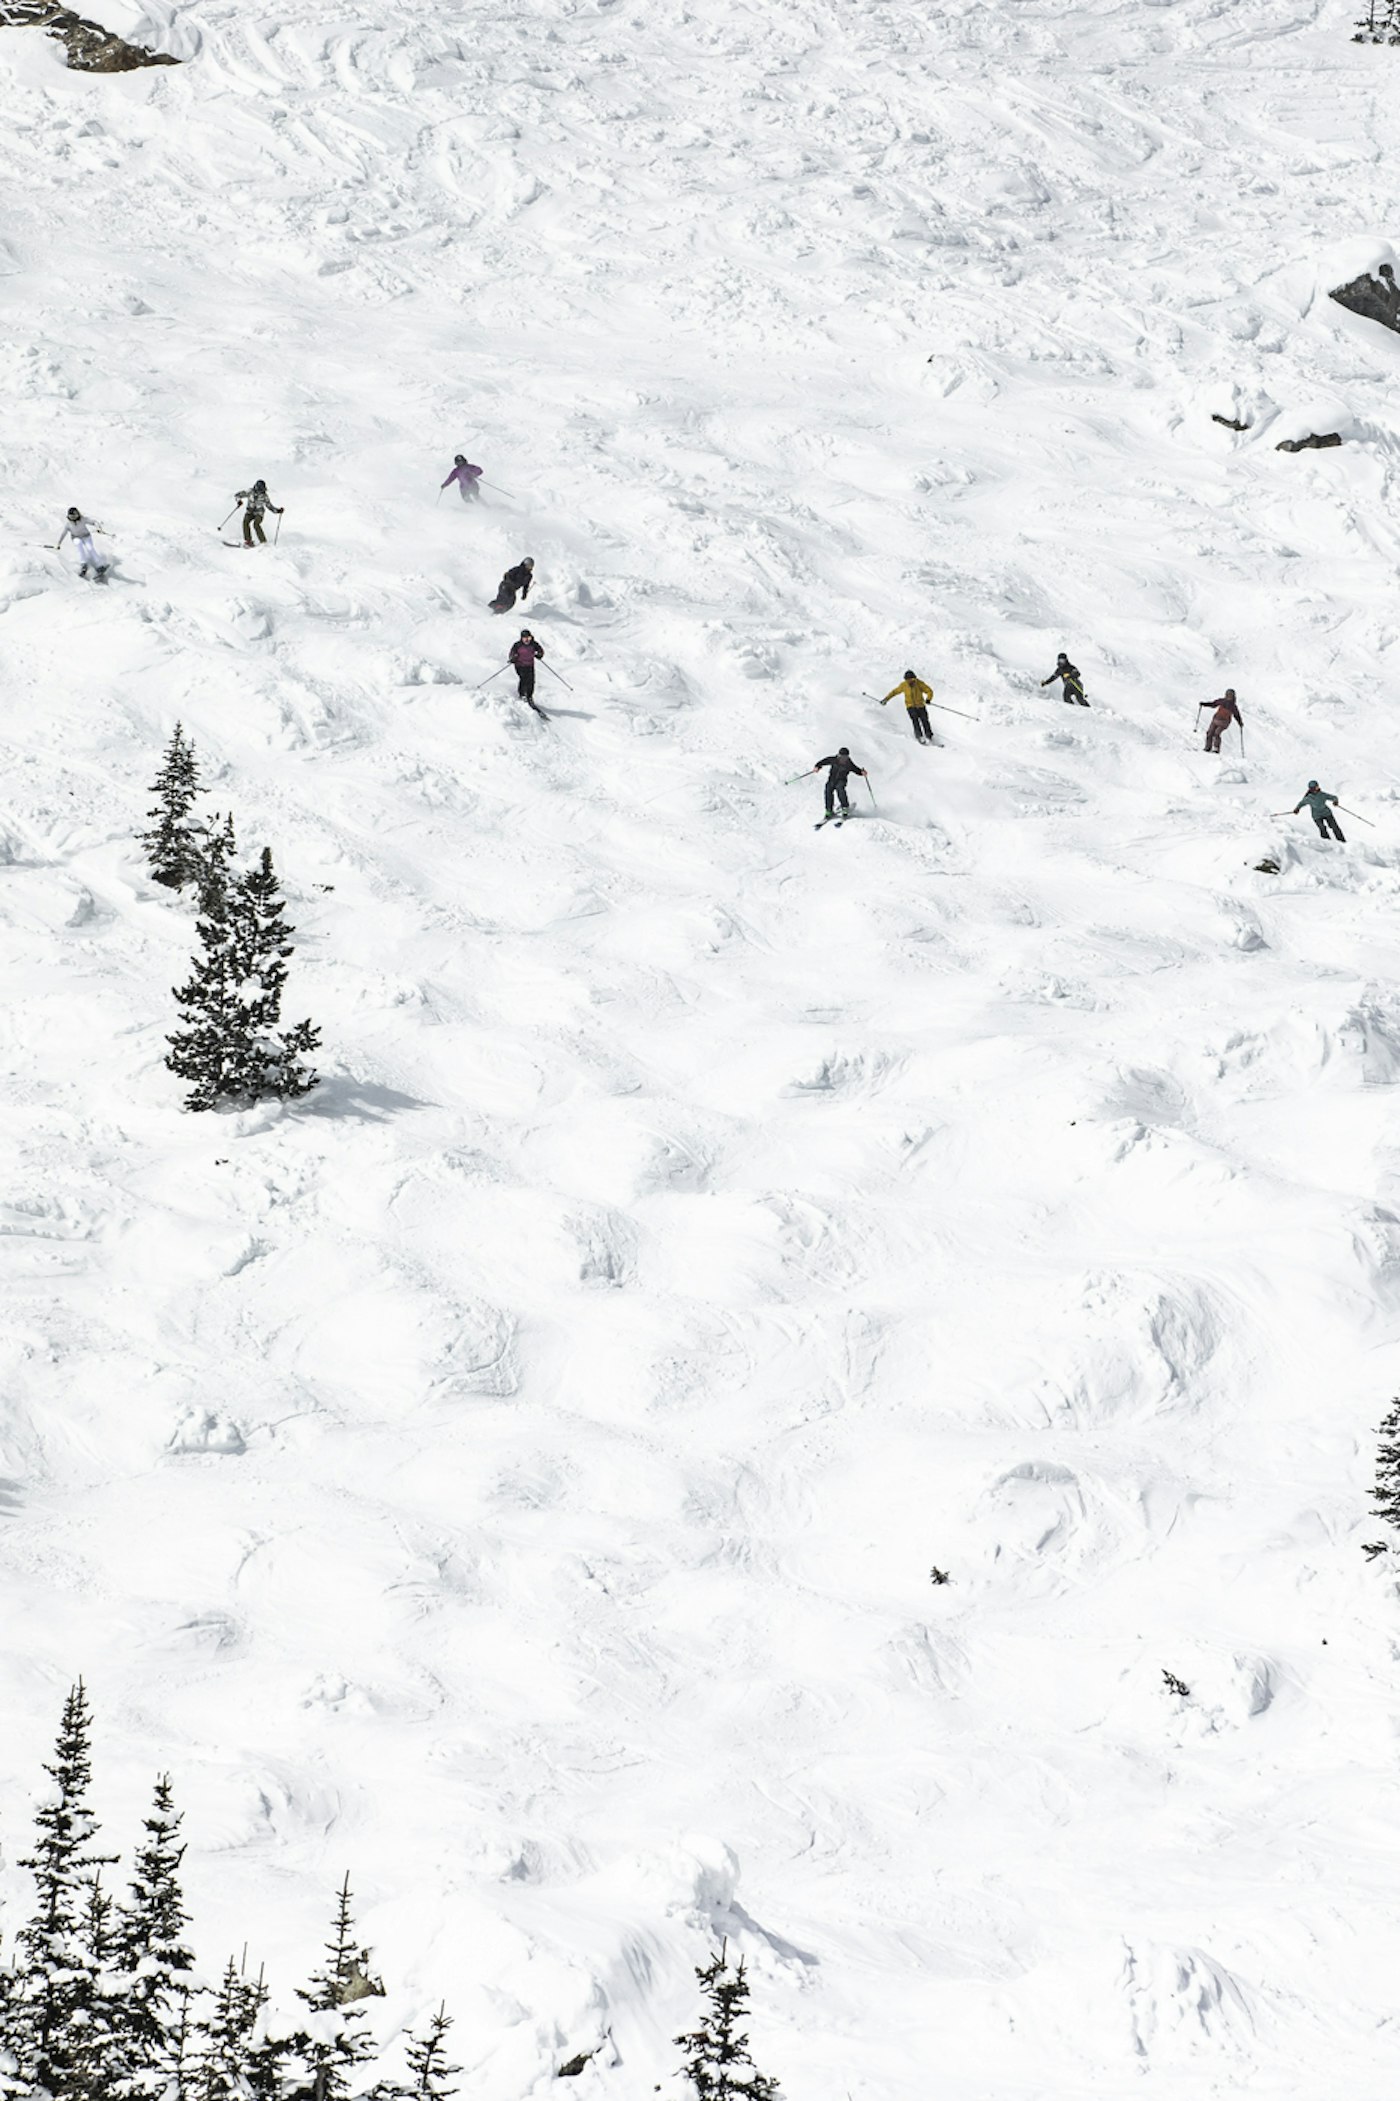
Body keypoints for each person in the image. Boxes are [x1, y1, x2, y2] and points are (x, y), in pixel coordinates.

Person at [881, 670, 936, 743]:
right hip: (910, 706)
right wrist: (886, 699)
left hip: (920, 705)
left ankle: (929, 736)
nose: (910, 681)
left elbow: (929, 691)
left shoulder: (919, 683)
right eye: (908, 680)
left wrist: (928, 699)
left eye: (912, 679)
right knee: (915, 720)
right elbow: (894, 692)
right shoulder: (903, 685)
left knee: (925, 720)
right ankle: (919, 736)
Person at [815, 748, 868, 818]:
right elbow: (823, 761)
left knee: (840, 789)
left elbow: (856, 770)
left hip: (841, 780)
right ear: (838, 755)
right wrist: (817, 766)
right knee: (828, 790)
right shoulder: (833, 760)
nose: (843, 759)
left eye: (845, 757)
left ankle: (845, 808)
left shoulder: (849, 764)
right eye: (841, 757)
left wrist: (861, 772)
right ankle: (829, 810)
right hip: (832, 779)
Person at [56, 505, 107, 578]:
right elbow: (63, 534)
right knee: (79, 545)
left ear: (78, 514)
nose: (73, 517)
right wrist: (59, 543)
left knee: (90, 548)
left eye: (75, 515)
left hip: (86, 536)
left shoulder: (83, 519)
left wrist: (98, 528)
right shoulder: (68, 524)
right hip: (76, 537)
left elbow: (94, 522)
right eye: (71, 516)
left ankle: (100, 566)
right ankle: (84, 565)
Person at [234, 479, 284, 546]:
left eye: (261, 489)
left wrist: (277, 511)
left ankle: (263, 542)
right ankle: (248, 541)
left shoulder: (264, 496)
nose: (259, 491)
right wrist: (239, 501)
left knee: (256, 524)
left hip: (259, 513)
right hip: (250, 512)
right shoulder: (250, 491)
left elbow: (269, 506)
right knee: (245, 522)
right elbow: (237, 495)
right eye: (258, 489)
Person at [509, 629, 545, 711]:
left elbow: (540, 650)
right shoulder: (517, 645)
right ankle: (522, 694)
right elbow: (512, 653)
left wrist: (539, 654)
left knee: (531, 681)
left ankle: (529, 696)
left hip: (530, 665)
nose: (527, 640)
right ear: (521, 638)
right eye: (525, 638)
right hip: (520, 665)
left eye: (528, 638)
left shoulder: (533, 644)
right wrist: (513, 658)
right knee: (524, 679)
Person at [1204, 689, 1242, 753]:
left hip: (1224, 722)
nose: (1229, 697)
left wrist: (1240, 722)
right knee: (1210, 733)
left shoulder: (1232, 706)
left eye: (1230, 695)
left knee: (1216, 733)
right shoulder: (1223, 701)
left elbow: (1237, 715)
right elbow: (1213, 704)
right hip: (1216, 720)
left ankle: (1215, 748)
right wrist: (1205, 704)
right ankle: (1208, 747)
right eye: (1228, 695)